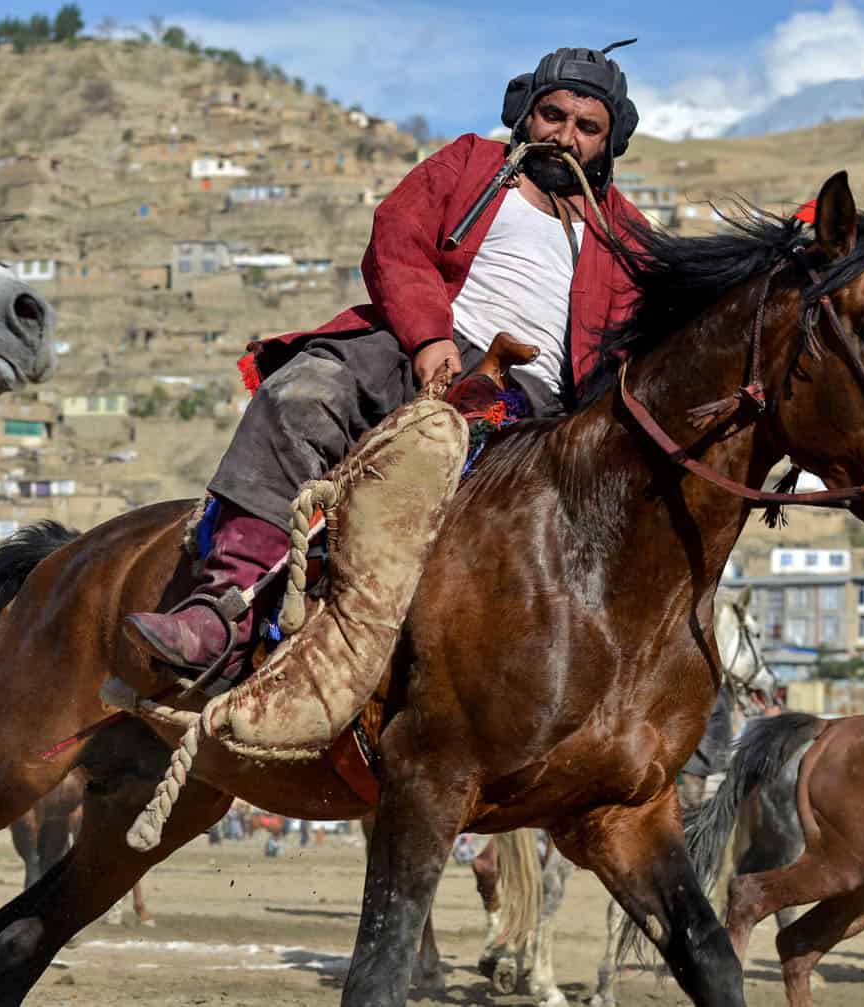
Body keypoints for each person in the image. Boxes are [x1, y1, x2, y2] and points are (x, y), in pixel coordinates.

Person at [124, 43, 649, 676]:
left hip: (532, 402)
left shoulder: (626, 235)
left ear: (608, 142)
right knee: (303, 393)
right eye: (552, 115)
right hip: (414, 346)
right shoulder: (471, 164)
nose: (564, 136)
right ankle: (221, 612)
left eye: (586, 127)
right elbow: (397, 237)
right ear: (524, 114)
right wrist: (431, 340)